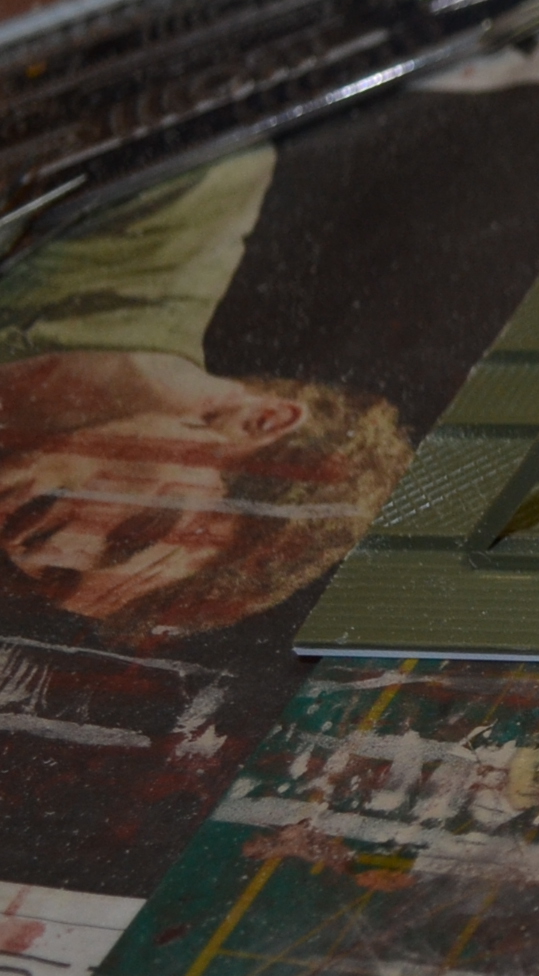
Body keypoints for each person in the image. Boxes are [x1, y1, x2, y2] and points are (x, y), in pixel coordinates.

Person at [0, 152, 409, 643]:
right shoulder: (190, 190)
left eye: (59, 578)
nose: (43, 552)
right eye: (135, 532)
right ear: (256, 422)